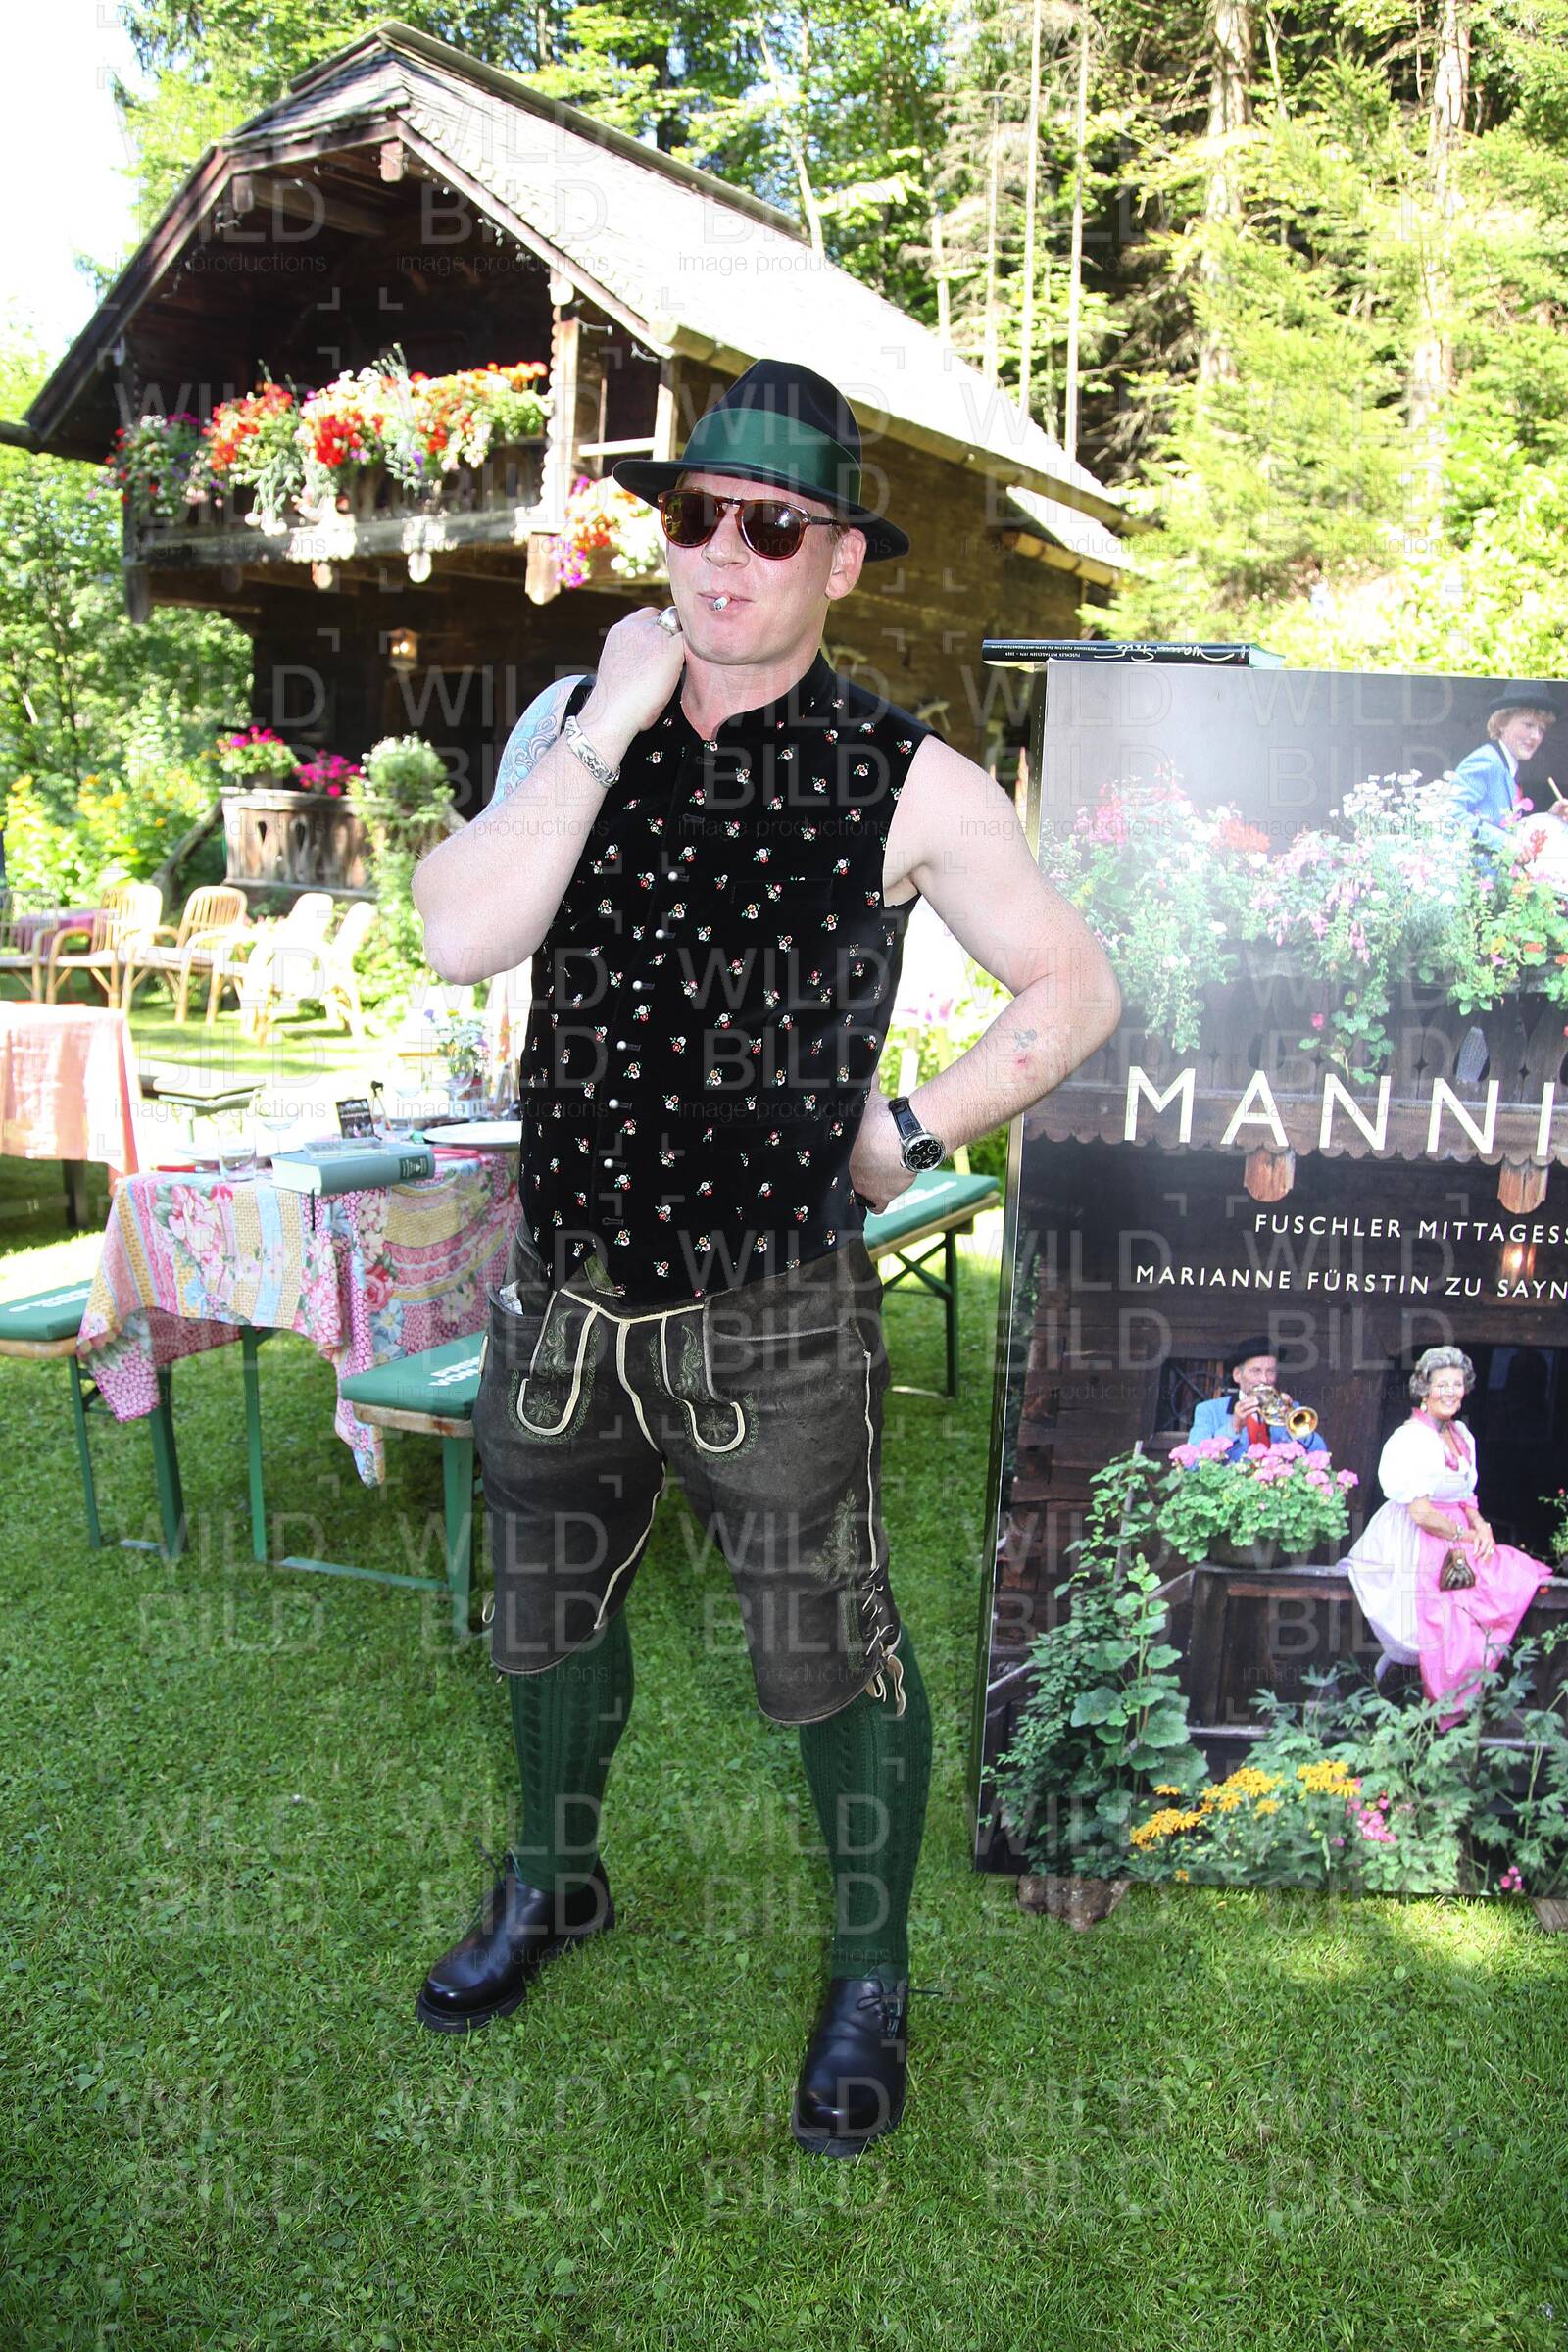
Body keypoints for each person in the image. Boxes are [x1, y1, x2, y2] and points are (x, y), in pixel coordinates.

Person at [410, 358, 1122, 2154]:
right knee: (541, 1616)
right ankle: (553, 1876)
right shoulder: (574, 718)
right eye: (695, 517)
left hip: (776, 1314)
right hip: (567, 1296)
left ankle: (870, 1973)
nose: (725, 554)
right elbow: (460, 933)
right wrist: (606, 718)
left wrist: (916, 1130)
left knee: (831, 1647)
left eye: (773, 528)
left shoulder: (913, 778)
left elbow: (1074, 989)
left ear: (842, 560)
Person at [1342, 1346, 1554, 1723]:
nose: (1451, 1392)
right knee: (1444, 1617)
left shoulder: (1462, 1434)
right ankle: (1424, 1700)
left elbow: (1465, 1494)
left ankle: (1477, 1694)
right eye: (1442, 1385)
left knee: (1514, 1575)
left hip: (1456, 1534)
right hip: (1418, 1538)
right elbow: (1421, 1512)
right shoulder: (1411, 1440)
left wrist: (1481, 1526)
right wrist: (1462, 1535)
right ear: (1424, 1390)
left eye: (1457, 1384)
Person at [1447, 691, 1560, 859]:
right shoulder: (1487, 760)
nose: (1535, 736)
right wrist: (1504, 842)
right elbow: (1449, 813)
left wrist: (1550, 819)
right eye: (1528, 725)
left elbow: (1508, 829)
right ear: (1502, 723)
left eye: (1541, 730)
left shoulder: (1508, 767)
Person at [1187, 1339, 1329, 1461]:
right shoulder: (1208, 1410)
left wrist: (1292, 1424)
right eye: (1256, 1371)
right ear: (1237, 1375)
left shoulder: (1289, 1409)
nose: (1264, 1379)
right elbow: (1192, 1464)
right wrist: (1233, 1428)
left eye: (1270, 1371)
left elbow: (1321, 1456)